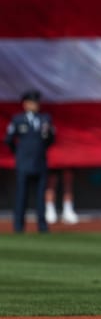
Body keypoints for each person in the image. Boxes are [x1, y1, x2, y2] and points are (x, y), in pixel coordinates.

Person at [4, 91, 55, 233]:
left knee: (40, 197)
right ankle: (19, 227)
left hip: (40, 162)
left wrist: (47, 138)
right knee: (21, 196)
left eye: (37, 102)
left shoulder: (45, 119)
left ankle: (42, 226)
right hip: (23, 164)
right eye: (32, 102)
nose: (35, 105)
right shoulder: (18, 120)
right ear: (25, 104)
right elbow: (8, 139)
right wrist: (18, 153)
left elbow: (51, 139)